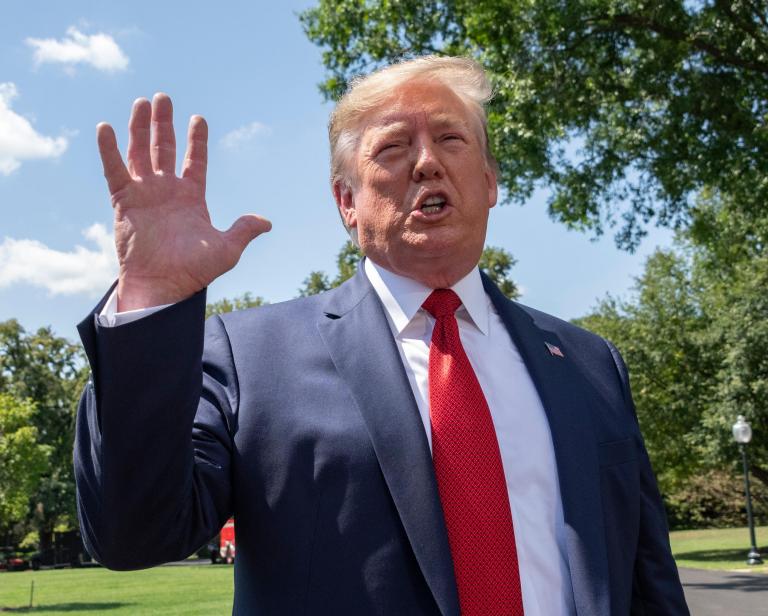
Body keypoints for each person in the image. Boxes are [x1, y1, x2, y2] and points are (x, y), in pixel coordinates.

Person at [74, 56, 689, 615]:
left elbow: (645, 579)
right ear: (347, 201)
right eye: (393, 148)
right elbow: (133, 533)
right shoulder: (249, 358)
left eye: (451, 138)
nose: (427, 161)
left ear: (490, 180)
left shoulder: (587, 361)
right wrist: (152, 298)